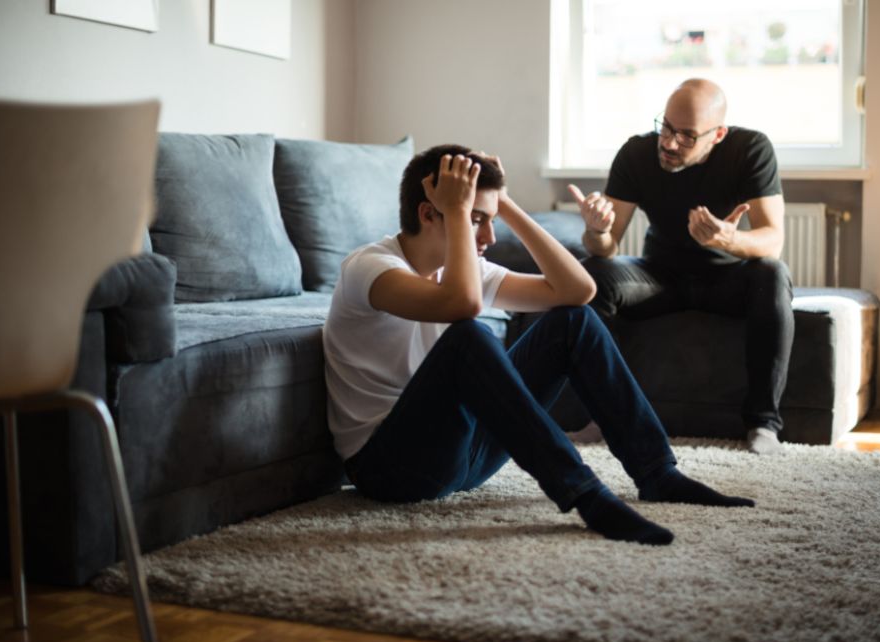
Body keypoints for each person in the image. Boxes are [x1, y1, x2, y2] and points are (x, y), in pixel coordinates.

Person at [323, 143, 755, 547]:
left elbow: (578, 290)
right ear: (429, 213)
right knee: (469, 335)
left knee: (573, 322)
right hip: (390, 468)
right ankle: (586, 495)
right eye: (477, 219)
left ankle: (658, 473)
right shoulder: (370, 269)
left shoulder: (468, 269)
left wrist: (503, 203)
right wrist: (457, 211)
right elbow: (462, 305)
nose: (488, 237)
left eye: (489, 220)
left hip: (465, 457)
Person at [570, 78, 793, 456]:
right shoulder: (637, 153)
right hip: (660, 278)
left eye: (687, 136)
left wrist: (728, 240)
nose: (670, 143)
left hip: (727, 278)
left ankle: (762, 423)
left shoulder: (750, 149)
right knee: (592, 273)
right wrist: (596, 230)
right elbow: (605, 249)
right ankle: (604, 416)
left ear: (718, 134)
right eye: (667, 128)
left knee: (772, 274)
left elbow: (773, 239)